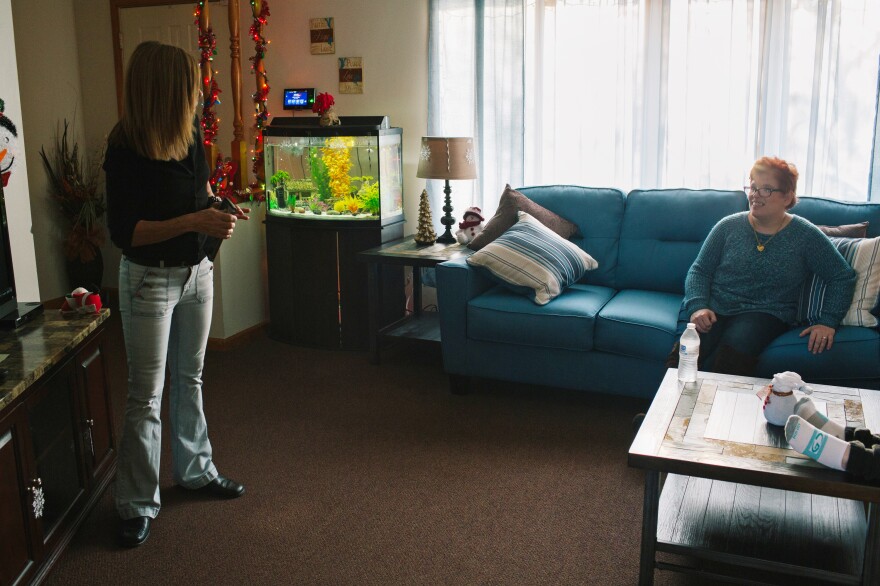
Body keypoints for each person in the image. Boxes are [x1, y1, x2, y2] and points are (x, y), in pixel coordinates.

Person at [104, 41, 249, 548]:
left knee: (190, 378)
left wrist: (219, 206)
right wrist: (194, 221)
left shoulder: (190, 137)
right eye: (190, 87)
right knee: (145, 395)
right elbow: (126, 231)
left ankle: (196, 471)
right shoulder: (124, 147)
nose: (197, 96)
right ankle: (136, 503)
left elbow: (198, 196)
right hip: (149, 281)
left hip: (195, 275)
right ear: (164, 89)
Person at [676, 156, 856, 375]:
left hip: (766, 313)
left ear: (787, 196)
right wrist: (698, 306)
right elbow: (699, 270)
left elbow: (842, 276)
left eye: (766, 189)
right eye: (753, 187)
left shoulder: (805, 235)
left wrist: (828, 321)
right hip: (714, 305)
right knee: (687, 351)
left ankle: (714, 398)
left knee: (731, 353)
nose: (755, 195)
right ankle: (671, 398)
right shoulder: (727, 226)